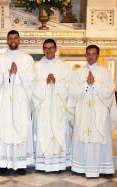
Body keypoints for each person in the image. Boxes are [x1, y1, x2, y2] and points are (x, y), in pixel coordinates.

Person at [68, 45, 117, 178]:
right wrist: (85, 84)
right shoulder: (78, 73)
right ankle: (80, 167)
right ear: (85, 55)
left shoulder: (105, 72)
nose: (90, 57)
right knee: (82, 136)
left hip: (99, 112)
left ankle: (102, 168)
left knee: (100, 137)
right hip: (83, 111)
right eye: (88, 54)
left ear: (98, 55)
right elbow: (72, 91)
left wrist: (95, 84)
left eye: (93, 54)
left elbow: (110, 90)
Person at [0, 30, 35, 175]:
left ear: (19, 40)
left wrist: (19, 73)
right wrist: (7, 74)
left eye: (15, 38)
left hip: (21, 97)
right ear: (7, 40)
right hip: (4, 98)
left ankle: (20, 164)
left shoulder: (27, 58)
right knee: (4, 128)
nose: (13, 40)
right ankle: (4, 164)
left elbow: (32, 78)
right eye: (10, 38)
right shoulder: (0, 58)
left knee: (20, 127)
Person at [32, 39, 72, 172]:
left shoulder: (64, 67)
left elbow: (70, 86)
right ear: (43, 50)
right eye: (46, 48)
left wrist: (56, 83)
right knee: (43, 131)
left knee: (59, 132)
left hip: (58, 107)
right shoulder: (36, 66)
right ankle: (43, 164)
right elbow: (31, 86)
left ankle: (59, 164)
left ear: (56, 49)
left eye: (51, 48)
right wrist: (44, 83)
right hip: (42, 107)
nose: (49, 50)